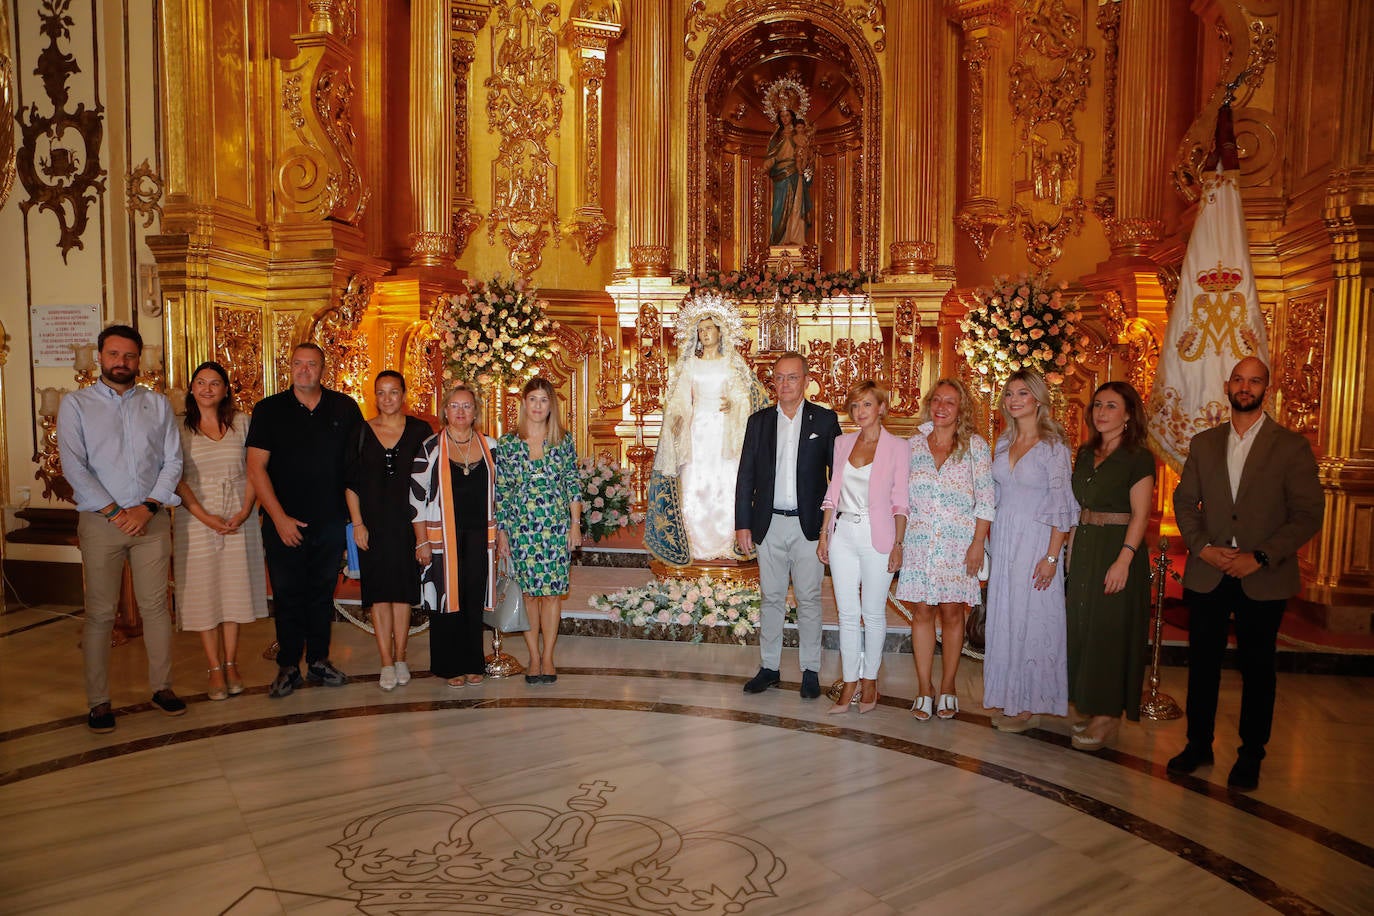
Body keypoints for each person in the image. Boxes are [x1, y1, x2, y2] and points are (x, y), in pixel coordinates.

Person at [1167, 356, 1323, 790]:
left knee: (1258, 669)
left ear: (1265, 389)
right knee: (1202, 665)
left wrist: (1261, 556)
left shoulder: (1290, 446)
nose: (1245, 386)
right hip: (1209, 571)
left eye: (1254, 380)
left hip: (1263, 576)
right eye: (1239, 378)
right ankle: (1198, 745)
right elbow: (1184, 502)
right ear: (1227, 385)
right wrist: (1201, 548)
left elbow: (1308, 514)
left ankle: (1251, 754)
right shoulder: (1204, 443)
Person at [56, 324, 184, 732]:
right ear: (100, 357)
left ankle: (162, 687)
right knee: (99, 614)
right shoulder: (76, 405)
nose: (122, 363)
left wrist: (147, 507)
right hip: (101, 522)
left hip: (151, 519)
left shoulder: (157, 404)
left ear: (138, 360)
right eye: (114, 355)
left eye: (129, 356)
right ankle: (99, 702)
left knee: (157, 609)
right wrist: (116, 512)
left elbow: (173, 461)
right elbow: (74, 466)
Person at [246, 342, 363, 698]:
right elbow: (255, 467)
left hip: (329, 521)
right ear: (290, 368)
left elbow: (356, 467)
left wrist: (355, 520)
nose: (304, 370)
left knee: (321, 595)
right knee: (287, 594)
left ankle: (318, 660)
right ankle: (287, 665)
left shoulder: (344, 407)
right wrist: (279, 518)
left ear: (322, 369)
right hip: (283, 521)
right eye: (298, 364)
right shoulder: (269, 410)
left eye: (311, 365)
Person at [735, 351, 842, 699]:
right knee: (771, 599)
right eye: (778, 377)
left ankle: (810, 670)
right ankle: (769, 667)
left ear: (806, 380)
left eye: (792, 377)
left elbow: (838, 478)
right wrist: (743, 524)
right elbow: (745, 476)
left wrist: (831, 527)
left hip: (808, 526)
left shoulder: (825, 421)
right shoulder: (759, 421)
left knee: (810, 598)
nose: (784, 384)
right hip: (768, 524)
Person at [984, 369, 1079, 733]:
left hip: (1038, 541)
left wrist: (1052, 557)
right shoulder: (1004, 442)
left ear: (1038, 399)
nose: (1013, 400)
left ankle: (1030, 702)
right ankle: (1009, 695)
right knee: (1006, 618)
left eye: (1022, 393)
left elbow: (1063, 505)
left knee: (1032, 620)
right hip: (1005, 539)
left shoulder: (1053, 447)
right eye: (1009, 393)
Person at [895, 378, 995, 722]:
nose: (941, 407)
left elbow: (986, 499)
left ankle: (948, 686)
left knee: (953, 613)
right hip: (921, 542)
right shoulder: (913, 445)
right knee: (922, 612)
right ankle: (924, 688)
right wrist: (898, 542)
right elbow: (901, 499)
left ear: (961, 409)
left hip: (959, 543)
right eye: (936, 400)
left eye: (949, 402)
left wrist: (978, 543)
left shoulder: (976, 446)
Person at [1065, 381, 1155, 751]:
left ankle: (1108, 717)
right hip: (1086, 546)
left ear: (1129, 414)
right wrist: (1070, 551)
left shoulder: (1138, 458)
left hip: (1119, 550)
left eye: (1112, 406)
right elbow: (1077, 508)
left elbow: (1141, 514)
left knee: (1110, 632)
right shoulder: (1086, 453)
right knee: (1083, 628)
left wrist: (1124, 560)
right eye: (1098, 405)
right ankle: (1089, 703)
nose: (1101, 412)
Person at [646, 293, 769, 563]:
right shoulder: (691, 364)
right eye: (700, 330)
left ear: (720, 332)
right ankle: (695, 542)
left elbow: (746, 395)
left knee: (725, 482)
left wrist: (735, 405)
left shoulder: (731, 364)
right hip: (697, 430)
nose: (704, 334)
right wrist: (677, 417)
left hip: (725, 432)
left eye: (709, 329)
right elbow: (679, 398)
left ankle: (727, 541)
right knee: (695, 481)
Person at [174, 361, 267, 701]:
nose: (207, 389)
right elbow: (177, 478)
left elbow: (255, 470)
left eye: (215, 383)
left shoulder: (241, 423)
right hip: (196, 518)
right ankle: (213, 667)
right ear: (192, 388)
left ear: (226, 389)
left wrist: (245, 511)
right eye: (201, 382)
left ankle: (231, 663)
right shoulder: (179, 427)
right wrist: (204, 515)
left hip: (238, 515)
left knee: (232, 590)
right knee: (204, 593)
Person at [817, 381, 909, 714]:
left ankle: (870, 681)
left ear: (882, 407)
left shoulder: (898, 447)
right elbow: (832, 493)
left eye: (867, 405)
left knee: (872, 612)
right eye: (855, 406)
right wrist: (825, 533)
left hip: (879, 535)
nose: (860, 412)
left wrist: (898, 544)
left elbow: (900, 502)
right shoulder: (842, 443)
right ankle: (850, 681)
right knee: (846, 613)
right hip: (843, 535)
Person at [347, 371, 433, 691]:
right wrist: (358, 524)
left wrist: (424, 534)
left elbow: (428, 482)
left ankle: (400, 658)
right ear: (374, 396)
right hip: (372, 527)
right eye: (380, 392)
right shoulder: (360, 431)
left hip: (408, 525)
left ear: (404, 394)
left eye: (393, 392)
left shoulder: (420, 431)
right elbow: (351, 484)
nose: (387, 399)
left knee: (402, 595)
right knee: (378, 596)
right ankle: (385, 661)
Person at [494, 378, 582, 685]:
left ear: (551, 406)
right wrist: (501, 532)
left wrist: (575, 524)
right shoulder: (507, 444)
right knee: (529, 594)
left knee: (553, 595)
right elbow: (502, 491)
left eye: (544, 400)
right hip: (521, 528)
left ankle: (548, 657)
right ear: (523, 403)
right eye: (533, 399)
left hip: (555, 526)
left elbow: (572, 483)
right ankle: (533, 656)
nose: (538, 406)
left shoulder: (563, 441)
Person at [411, 383, 495, 688]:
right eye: (455, 406)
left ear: (475, 412)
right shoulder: (430, 448)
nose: (461, 412)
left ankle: (474, 662)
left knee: (473, 599)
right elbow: (416, 498)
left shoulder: (491, 447)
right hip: (440, 539)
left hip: (480, 538)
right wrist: (421, 541)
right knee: (446, 600)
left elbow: (502, 495)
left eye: (467, 406)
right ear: (445, 410)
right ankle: (449, 665)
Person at [764, 107, 814, 246]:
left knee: (796, 205)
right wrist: (766, 165)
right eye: (782, 116)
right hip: (780, 174)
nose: (785, 119)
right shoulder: (777, 135)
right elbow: (772, 156)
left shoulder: (798, 134)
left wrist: (805, 158)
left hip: (794, 172)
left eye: (787, 115)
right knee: (778, 207)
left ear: (792, 117)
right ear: (779, 118)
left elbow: (806, 152)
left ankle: (795, 238)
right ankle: (779, 239)